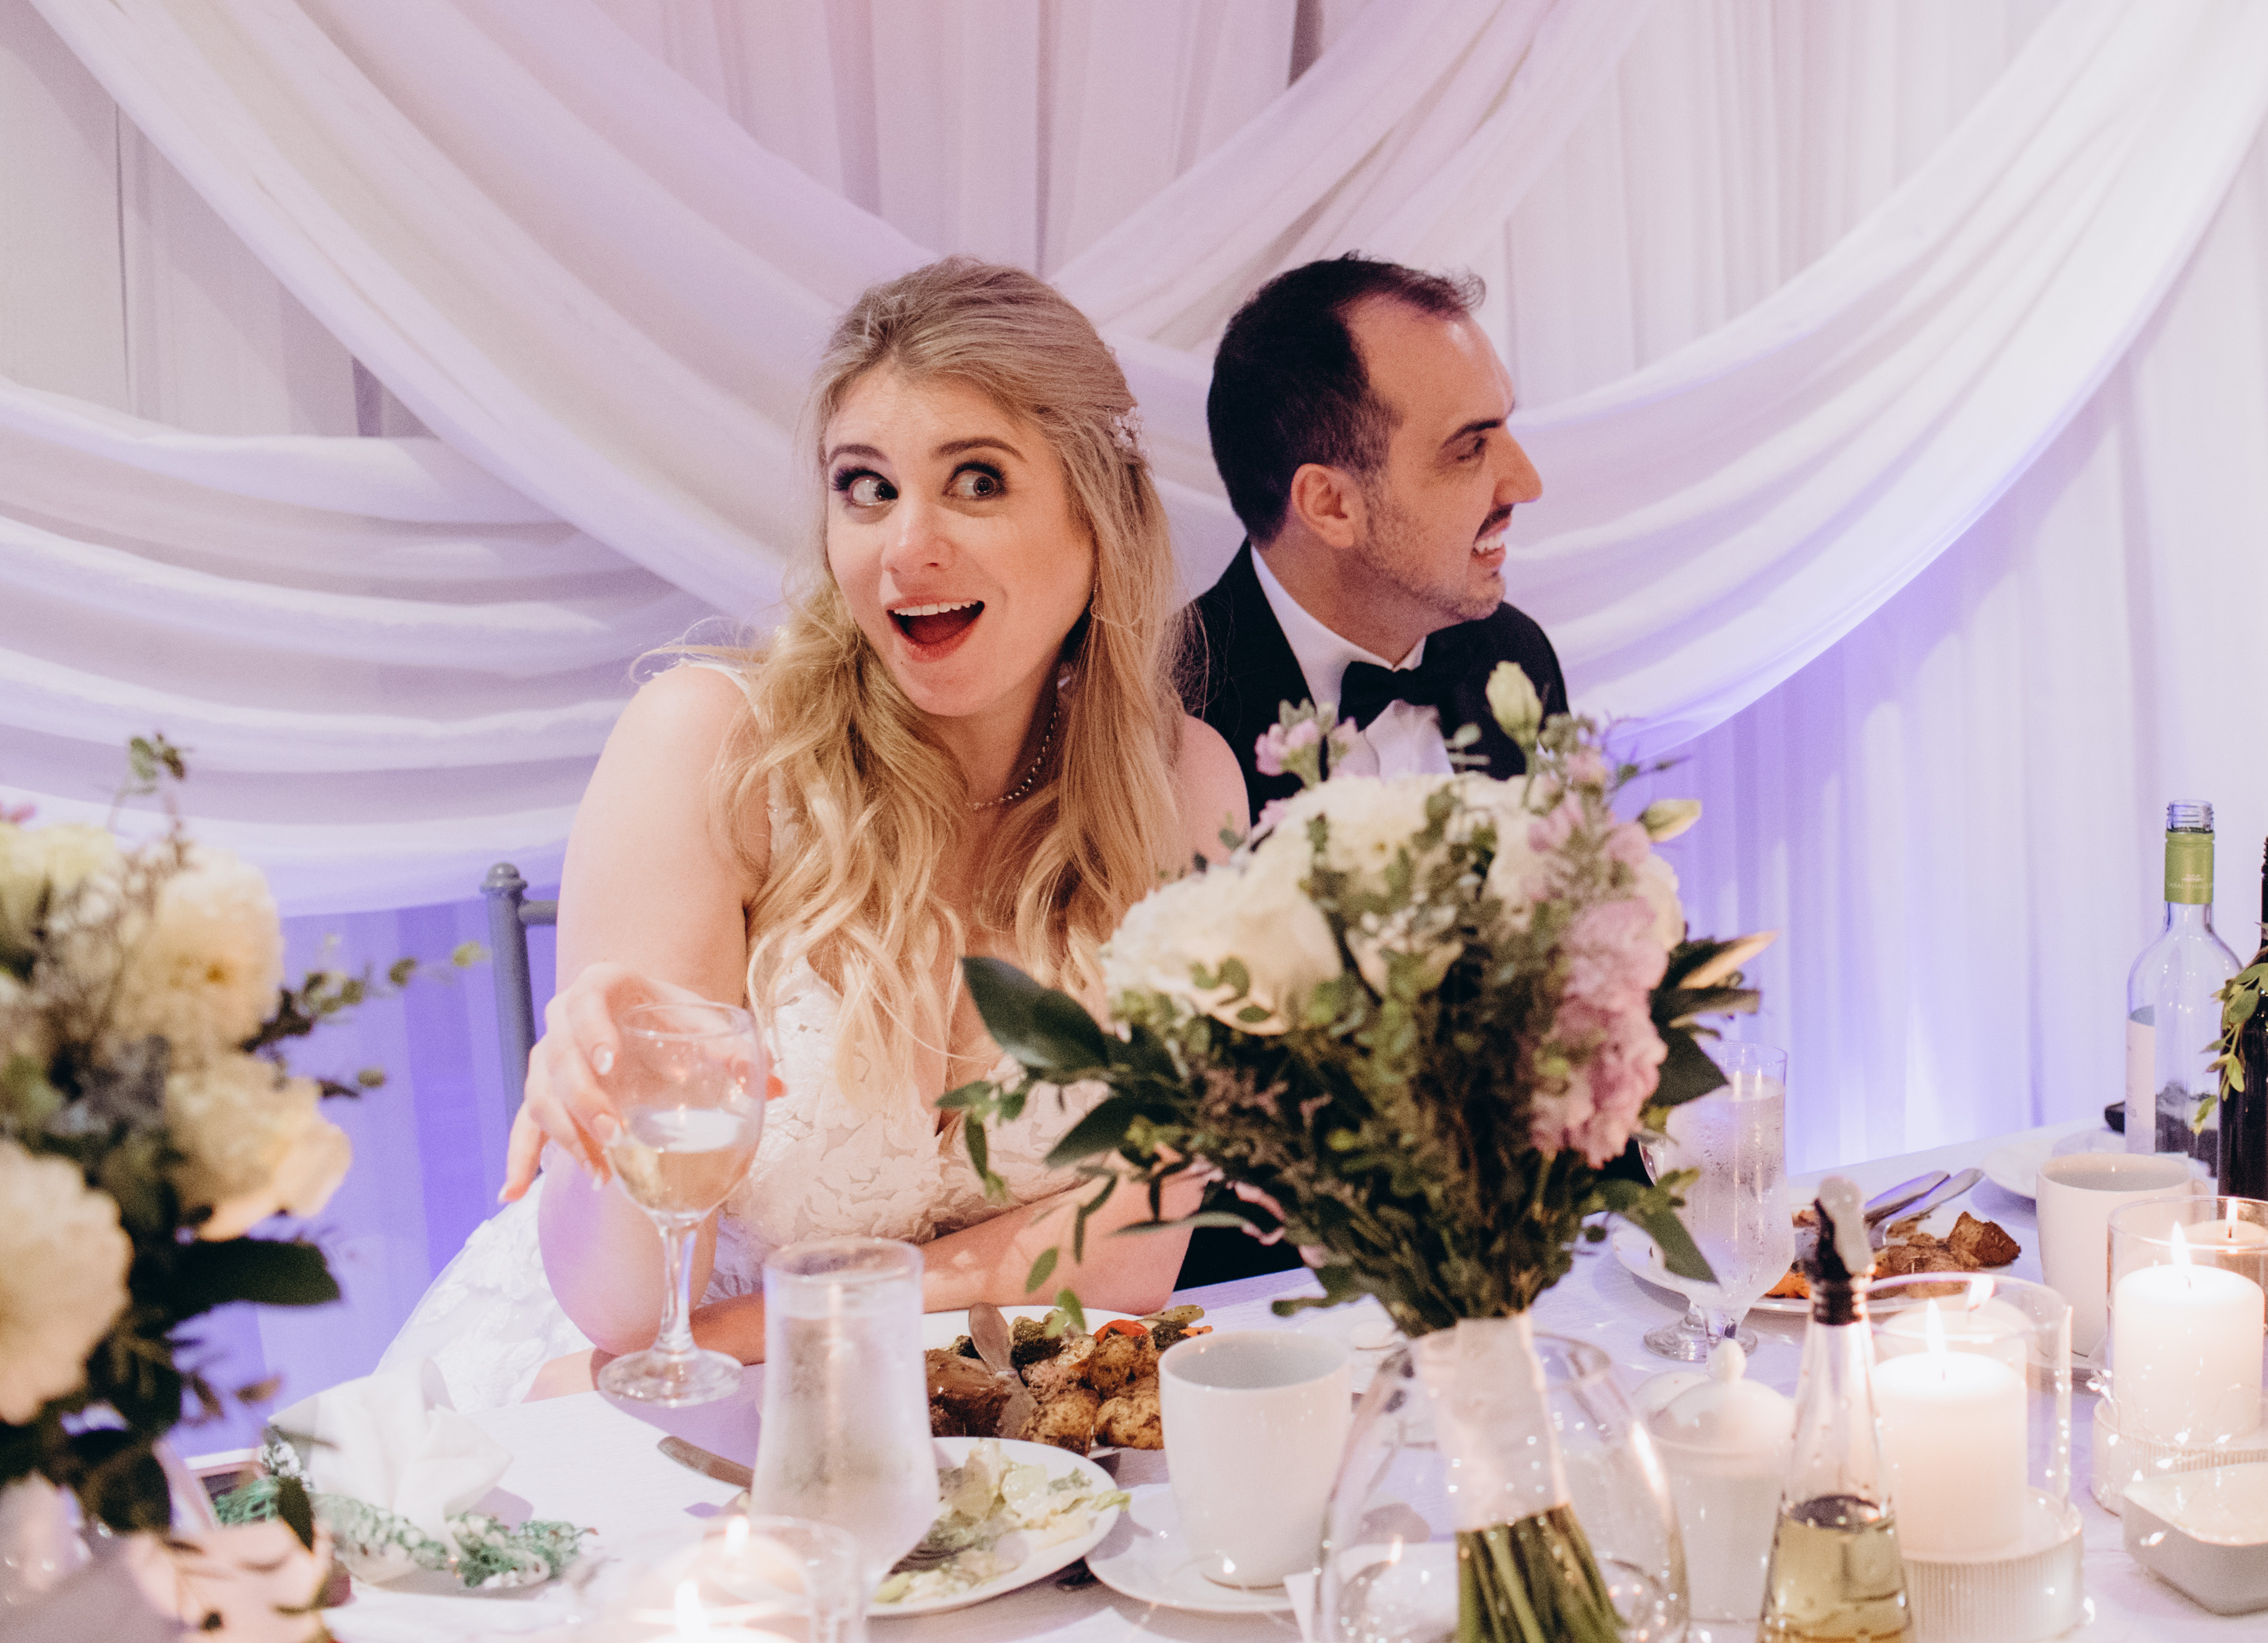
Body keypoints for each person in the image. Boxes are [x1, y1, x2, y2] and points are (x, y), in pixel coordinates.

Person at [383, 260, 1248, 1407]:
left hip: (938, 1405)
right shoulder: (713, 749)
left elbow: (1129, 1257)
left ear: (1098, 514)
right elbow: (631, 1315)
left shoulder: (1181, 788)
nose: (905, 546)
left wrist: (741, 1331)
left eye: (977, 481)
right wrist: (607, 1109)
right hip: (647, 1403)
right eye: (866, 488)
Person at [1180, 256, 1566, 819]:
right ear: (1331, 505)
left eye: (1505, 425)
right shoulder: (1156, 720)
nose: (1527, 485)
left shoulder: (1515, 654)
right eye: (1470, 449)